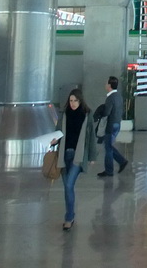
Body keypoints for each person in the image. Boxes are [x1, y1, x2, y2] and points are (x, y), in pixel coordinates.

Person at [51, 88, 98, 230]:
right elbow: (58, 132)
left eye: (75, 101)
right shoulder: (63, 114)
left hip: (78, 156)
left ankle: (69, 217)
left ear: (80, 101)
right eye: (71, 101)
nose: (73, 103)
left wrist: (92, 156)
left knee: (69, 185)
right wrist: (54, 140)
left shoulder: (86, 115)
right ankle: (70, 215)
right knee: (67, 187)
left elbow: (91, 138)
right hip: (64, 155)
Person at [97, 76, 128, 178]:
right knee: (109, 146)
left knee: (108, 148)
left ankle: (110, 170)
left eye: (106, 83)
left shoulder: (110, 98)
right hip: (117, 123)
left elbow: (107, 112)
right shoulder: (118, 96)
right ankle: (121, 161)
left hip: (110, 124)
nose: (105, 85)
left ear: (109, 85)